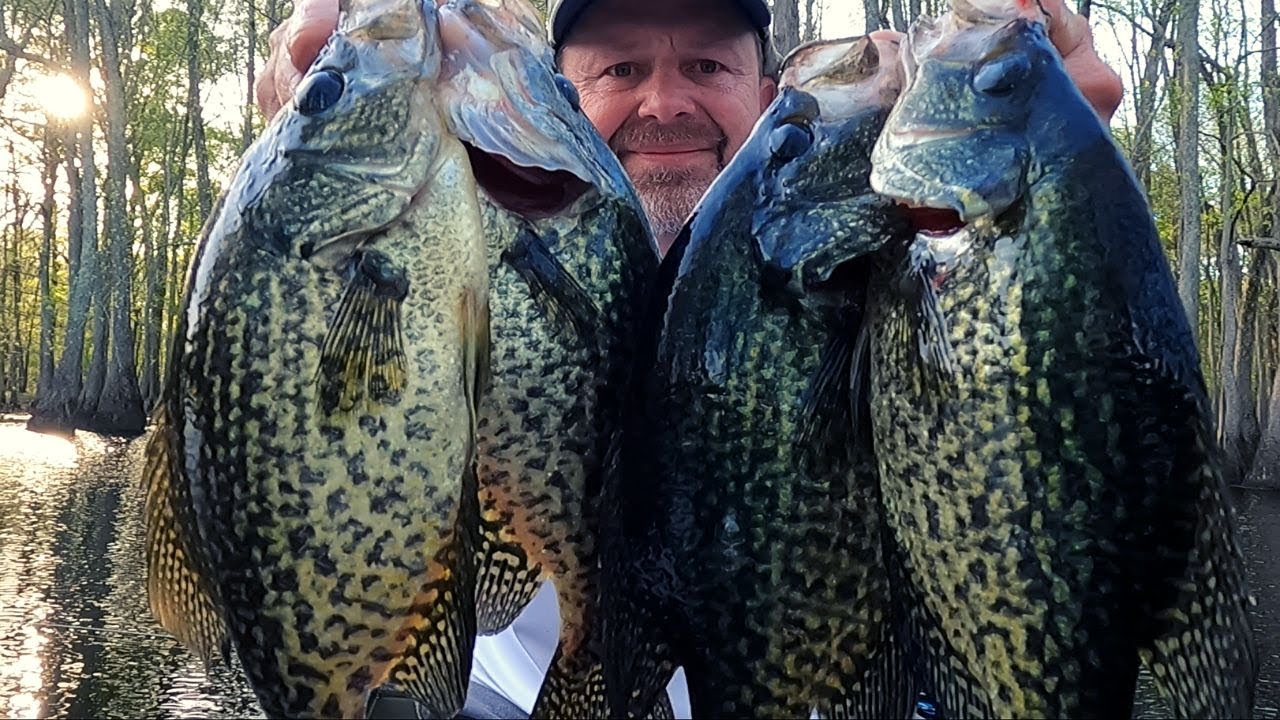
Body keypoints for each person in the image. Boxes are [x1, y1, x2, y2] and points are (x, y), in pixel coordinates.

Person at [255, 0, 1124, 717]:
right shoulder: (451, 233)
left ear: (770, 93)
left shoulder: (884, 242)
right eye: (621, 70)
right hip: (494, 693)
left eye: (707, 68)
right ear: (559, 94)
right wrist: (304, 147)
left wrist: (1058, 190)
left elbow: (1037, 458)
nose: (664, 104)